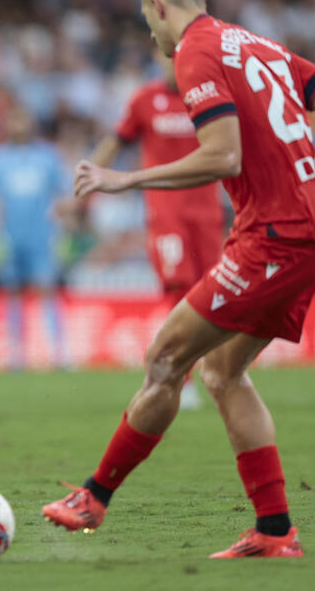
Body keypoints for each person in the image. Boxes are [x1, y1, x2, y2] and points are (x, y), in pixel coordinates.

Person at [42, 0, 315, 558]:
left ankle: (93, 498)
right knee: (223, 372)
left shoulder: (194, 52)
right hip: (308, 225)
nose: (152, 37)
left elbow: (222, 156)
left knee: (164, 358)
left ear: (158, 7)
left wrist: (126, 181)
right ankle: (275, 531)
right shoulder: (257, 44)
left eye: (148, 23)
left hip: (277, 235)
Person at [88, 49, 226, 410]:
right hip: (166, 213)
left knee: (210, 293)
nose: (172, 65)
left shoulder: (210, 100)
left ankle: (218, 369)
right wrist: (90, 177)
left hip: (207, 214)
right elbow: (116, 140)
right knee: (178, 290)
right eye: (166, 57)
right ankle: (181, 376)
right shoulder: (145, 100)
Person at [0, 108, 69, 370]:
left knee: (47, 289)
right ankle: (15, 355)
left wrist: (61, 231)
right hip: (9, 237)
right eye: (14, 119)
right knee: (13, 292)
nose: (18, 124)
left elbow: (61, 196)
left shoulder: (48, 156)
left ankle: (58, 353)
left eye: (22, 118)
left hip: (41, 236)